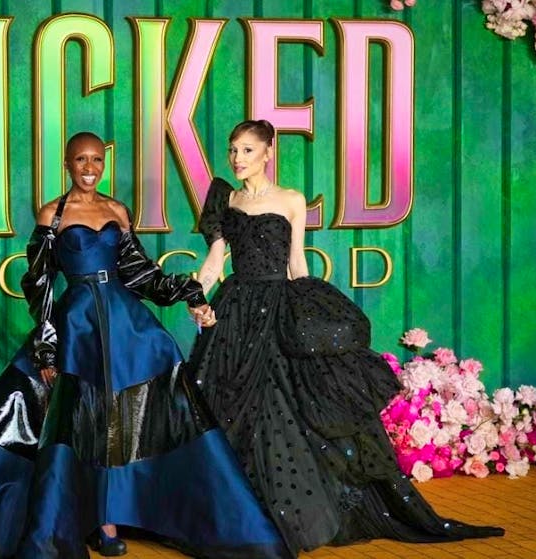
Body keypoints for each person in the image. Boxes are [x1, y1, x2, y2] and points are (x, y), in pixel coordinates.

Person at [0, 132, 289, 559]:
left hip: (124, 321)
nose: (90, 168)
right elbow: (38, 284)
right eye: (81, 160)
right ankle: (90, 520)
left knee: (132, 407)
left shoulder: (117, 209)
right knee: (76, 418)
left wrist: (190, 292)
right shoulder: (51, 214)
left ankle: (117, 515)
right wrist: (46, 345)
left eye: (97, 159)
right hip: (77, 326)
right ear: (67, 164)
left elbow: (141, 275)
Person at [187, 119, 504, 557]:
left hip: (277, 311)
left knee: (283, 411)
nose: (238, 159)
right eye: (233, 150)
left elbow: (296, 264)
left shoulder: (292, 200)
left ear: (268, 151)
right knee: (224, 410)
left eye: (246, 150)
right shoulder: (227, 199)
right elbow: (214, 263)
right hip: (235, 311)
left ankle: (286, 521)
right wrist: (196, 298)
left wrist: (310, 310)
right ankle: (236, 519)